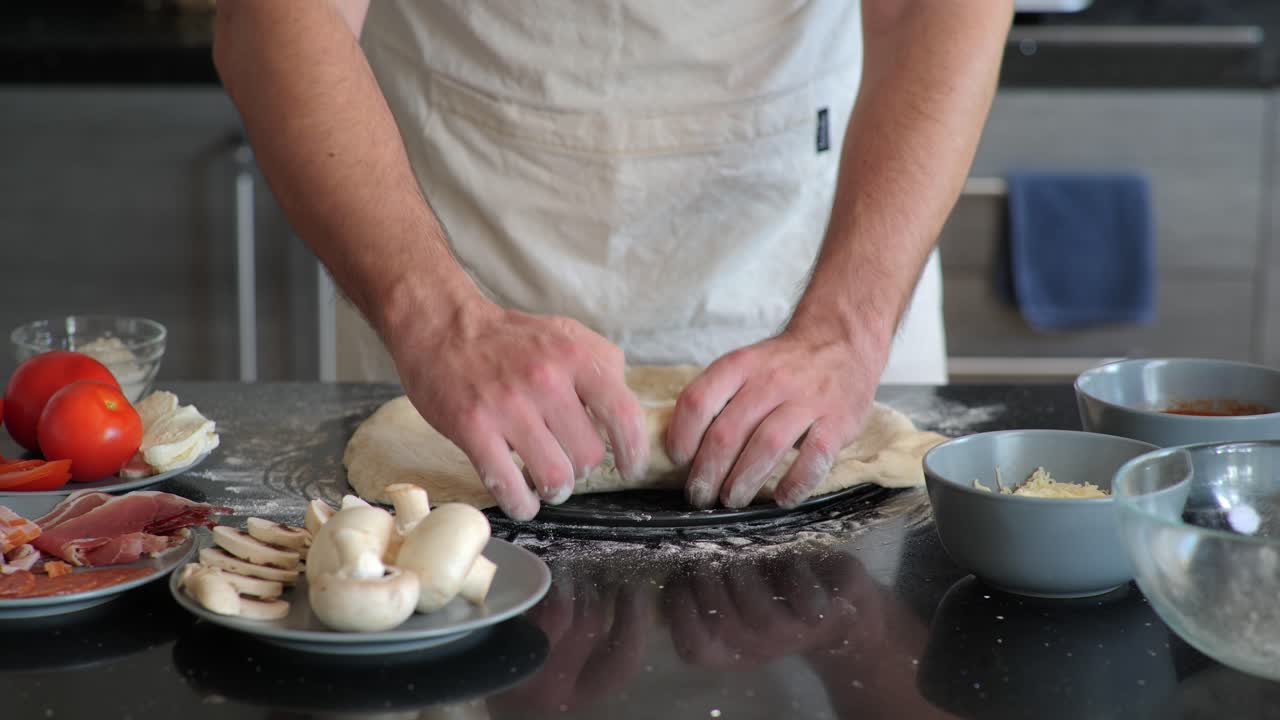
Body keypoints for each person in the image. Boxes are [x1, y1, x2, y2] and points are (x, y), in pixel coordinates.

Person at [213, 1, 1012, 520]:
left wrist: (848, 328)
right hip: (455, 241)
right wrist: (438, 319)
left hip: (813, 241)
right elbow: (277, 18)